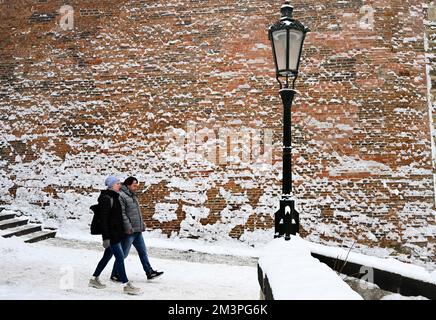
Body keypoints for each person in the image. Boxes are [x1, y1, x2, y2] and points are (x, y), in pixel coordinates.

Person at [89, 175, 142, 295]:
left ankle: (94, 279)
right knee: (119, 257)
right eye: (118, 183)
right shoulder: (106, 199)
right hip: (111, 235)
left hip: (116, 233)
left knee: (107, 257)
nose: (120, 185)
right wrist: (106, 238)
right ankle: (126, 284)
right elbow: (104, 220)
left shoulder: (115, 197)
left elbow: (117, 218)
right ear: (111, 185)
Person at [110, 176, 164, 282]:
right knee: (123, 255)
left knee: (143, 252)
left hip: (137, 230)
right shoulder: (121, 196)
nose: (136, 187)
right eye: (134, 185)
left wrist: (141, 224)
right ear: (128, 185)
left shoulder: (133, 195)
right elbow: (122, 214)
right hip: (129, 231)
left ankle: (149, 272)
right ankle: (115, 274)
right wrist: (128, 227)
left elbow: (136, 213)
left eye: (136, 185)